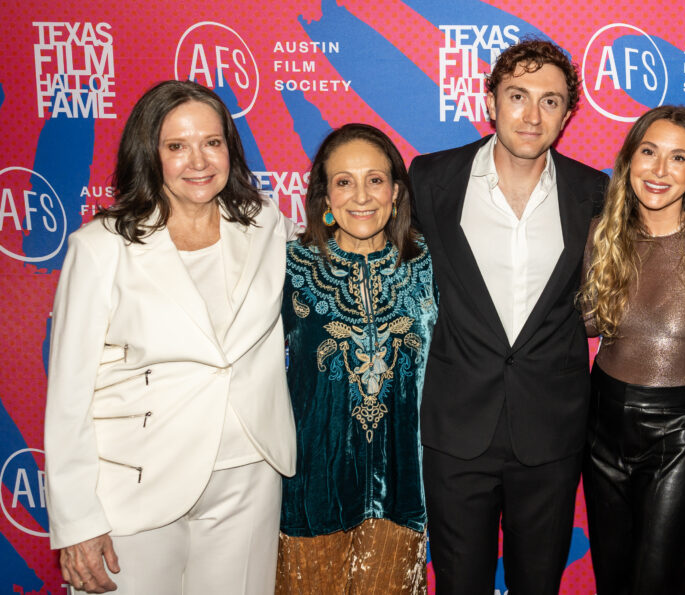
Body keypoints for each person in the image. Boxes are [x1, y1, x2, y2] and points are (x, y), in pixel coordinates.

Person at [44, 80, 297, 594]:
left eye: (212, 142)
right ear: (148, 154)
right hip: (136, 481)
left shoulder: (265, 223)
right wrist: (76, 522)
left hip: (248, 476)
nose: (198, 161)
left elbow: (336, 243)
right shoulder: (100, 248)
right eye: (177, 146)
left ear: (230, 148)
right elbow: (68, 395)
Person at [409, 38, 608, 594]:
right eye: (518, 95)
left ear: (567, 115)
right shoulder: (431, 180)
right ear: (490, 101)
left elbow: (616, 291)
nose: (531, 115)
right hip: (456, 425)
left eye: (550, 101)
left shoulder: (593, 191)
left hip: (551, 429)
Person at [274, 123, 436, 594]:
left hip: (403, 492)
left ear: (396, 192)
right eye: (344, 182)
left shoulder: (430, 264)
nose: (361, 196)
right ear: (325, 197)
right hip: (310, 492)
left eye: (375, 180)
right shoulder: (288, 267)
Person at [578, 105, 685, 595]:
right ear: (629, 160)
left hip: (677, 433)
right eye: (649, 152)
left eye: (678, 158)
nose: (660, 170)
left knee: (655, 580)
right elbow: (581, 322)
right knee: (615, 581)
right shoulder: (601, 233)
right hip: (601, 425)